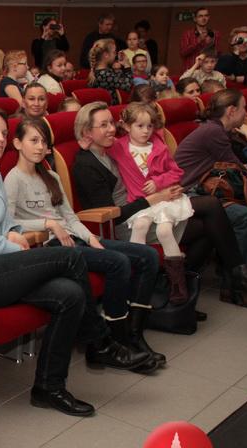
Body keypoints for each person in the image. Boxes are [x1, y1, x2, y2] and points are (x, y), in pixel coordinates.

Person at [0, 107, 150, 417]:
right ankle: (100, 343)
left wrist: (13, 232)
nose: (0, 138)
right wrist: (13, 246)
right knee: (70, 256)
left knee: (70, 295)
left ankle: (49, 388)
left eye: (3, 132)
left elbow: (6, 222)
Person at [5, 118, 162, 370]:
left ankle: (133, 335)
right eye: (33, 140)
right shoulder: (14, 179)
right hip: (53, 247)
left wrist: (91, 238)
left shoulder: (51, 176)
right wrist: (48, 224)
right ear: (17, 143)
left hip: (76, 238)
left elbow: (70, 217)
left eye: (43, 141)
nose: (40, 146)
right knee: (118, 262)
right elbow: (8, 222)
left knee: (147, 256)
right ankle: (115, 340)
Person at [73, 101, 247, 310]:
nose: (112, 129)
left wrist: (165, 187)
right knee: (211, 212)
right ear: (87, 131)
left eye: (111, 123)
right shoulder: (87, 165)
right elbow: (113, 215)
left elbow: (146, 151)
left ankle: (190, 288)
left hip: (149, 208)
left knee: (212, 216)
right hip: (128, 224)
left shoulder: (109, 148)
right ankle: (230, 280)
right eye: (104, 125)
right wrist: (157, 197)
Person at [107, 103, 194, 304]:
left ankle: (177, 284)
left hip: (164, 200)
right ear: (126, 126)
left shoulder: (159, 146)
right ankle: (137, 281)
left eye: (149, 126)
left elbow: (176, 172)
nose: (146, 131)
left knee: (164, 231)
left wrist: (158, 182)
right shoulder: (117, 147)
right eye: (140, 126)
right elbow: (98, 148)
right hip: (141, 203)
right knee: (140, 226)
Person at [175, 89, 247, 287]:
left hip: (207, 189)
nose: (246, 113)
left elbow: (237, 167)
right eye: (244, 108)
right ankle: (240, 282)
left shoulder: (216, 129)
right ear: (231, 110)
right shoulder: (214, 132)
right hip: (190, 195)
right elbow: (240, 169)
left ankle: (234, 275)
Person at [87, 39, 132, 105]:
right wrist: (127, 65)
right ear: (106, 55)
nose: (115, 55)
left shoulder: (101, 72)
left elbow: (120, 80)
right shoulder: (104, 75)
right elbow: (127, 86)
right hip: (109, 109)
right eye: (114, 52)